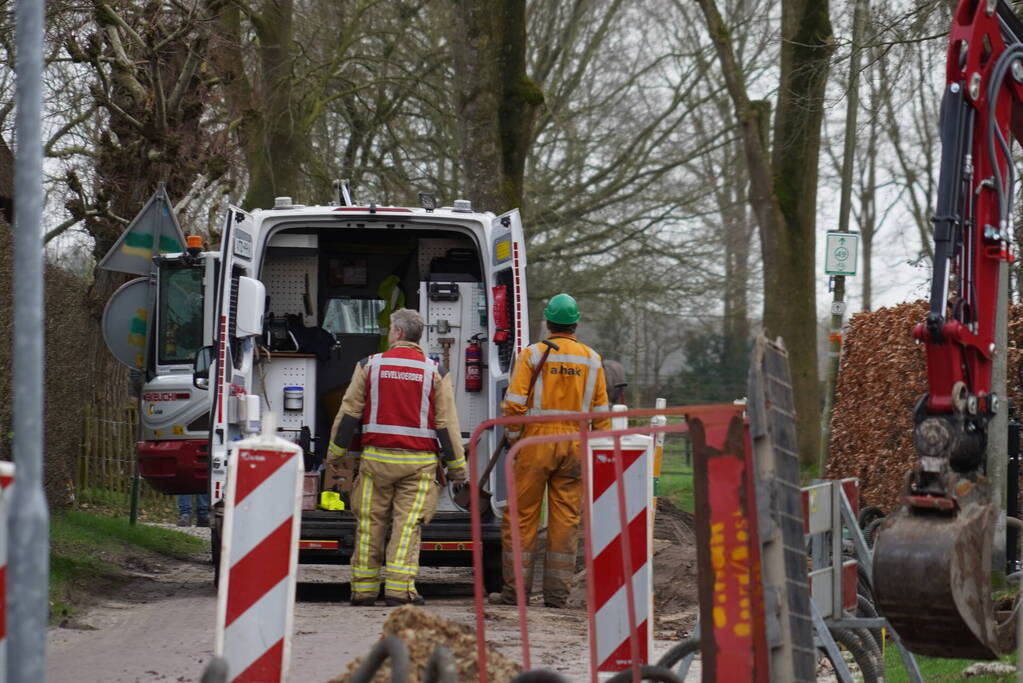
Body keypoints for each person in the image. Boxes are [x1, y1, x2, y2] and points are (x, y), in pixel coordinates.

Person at [328, 308, 467, 607]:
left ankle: (363, 590)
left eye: (391, 329)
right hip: (418, 466)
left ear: (399, 333)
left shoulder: (370, 365)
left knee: (370, 522)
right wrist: (458, 470)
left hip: (376, 462)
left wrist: (335, 454)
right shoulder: (436, 372)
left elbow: (349, 412)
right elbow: (447, 425)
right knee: (407, 526)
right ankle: (398, 590)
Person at [491, 293, 611, 608]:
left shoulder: (532, 355)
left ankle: (515, 592)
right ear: (575, 323)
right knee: (566, 520)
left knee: (521, 517)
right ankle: (557, 595)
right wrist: (598, 453)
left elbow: (514, 404)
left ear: (547, 321)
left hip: (535, 444)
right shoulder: (592, 359)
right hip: (575, 445)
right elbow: (601, 414)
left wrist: (515, 438)